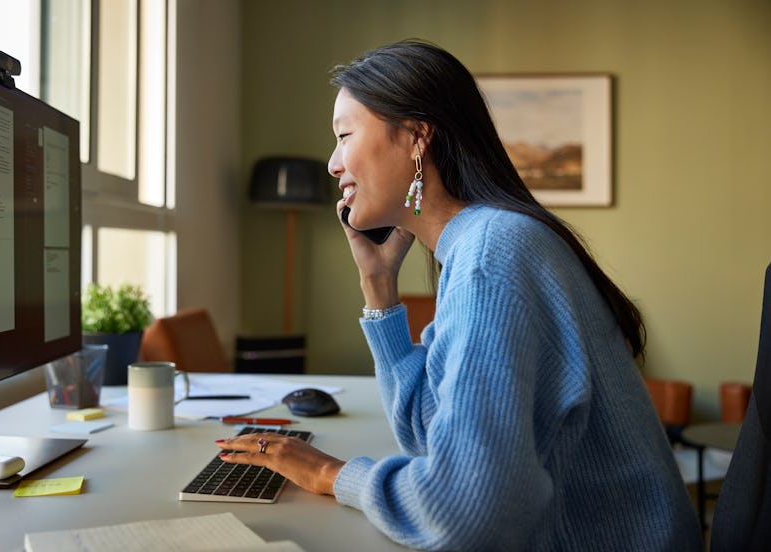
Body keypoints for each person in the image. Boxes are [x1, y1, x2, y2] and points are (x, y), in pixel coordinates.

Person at [217, 39, 703, 551]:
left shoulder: (492, 256)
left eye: (343, 136)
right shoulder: (482, 244)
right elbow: (430, 434)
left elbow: (465, 513)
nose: (334, 163)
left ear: (416, 137)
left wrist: (332, 475)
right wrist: (378, 288)